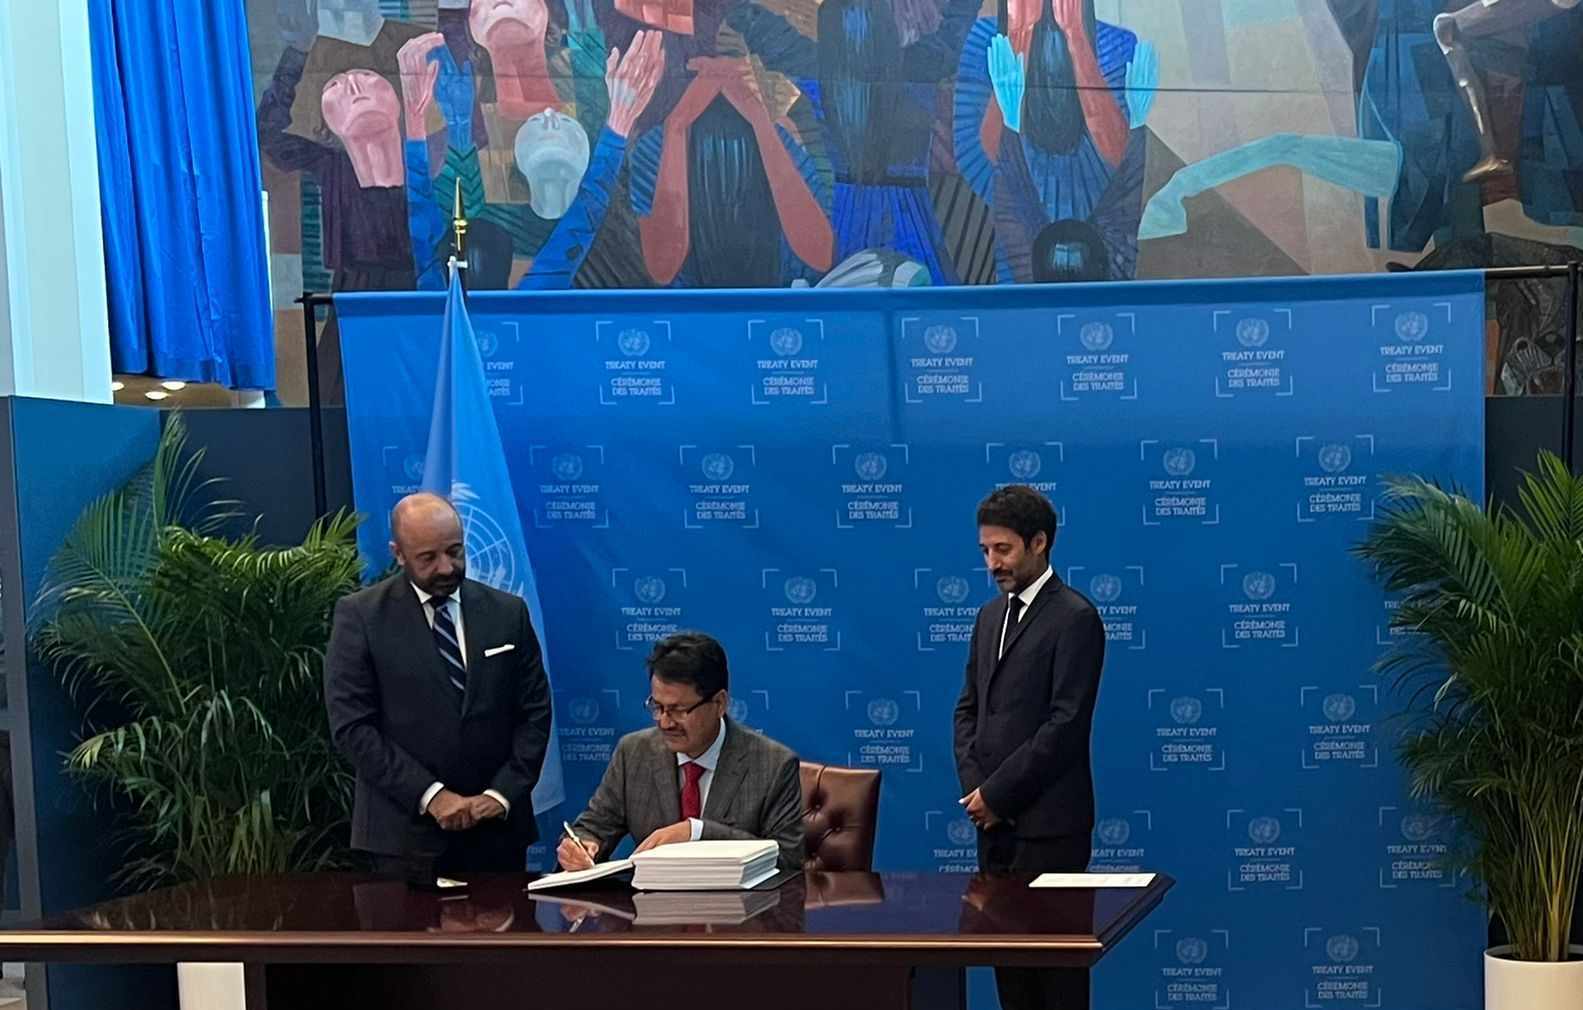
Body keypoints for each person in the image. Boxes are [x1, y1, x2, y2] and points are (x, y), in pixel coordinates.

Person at [324, 492, 552, 879]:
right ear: (398, 554)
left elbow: (534, 713)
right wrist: (431, 796)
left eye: (455, 551)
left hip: (497, 834)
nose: (446, 567)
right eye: (428, 558)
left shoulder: (507, 612)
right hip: (402, 838)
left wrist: (500, 794)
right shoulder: (361, 617)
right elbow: (353, 726)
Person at [953, 484, 1105, 1010]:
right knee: (1012, 984)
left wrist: (998, 795)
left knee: (1056, 986)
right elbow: (968, 710)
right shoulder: (988, 617)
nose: (992, 563)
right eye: (985, 551)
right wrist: (978, 792)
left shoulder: (1075, 618)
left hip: (1050, 830)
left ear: (1039, 543)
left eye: (1003, 549)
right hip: (993, 831)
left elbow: (1065, 725)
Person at [557, 632, 805, 871]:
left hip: (738, 901)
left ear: (719, 703)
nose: (665, 722)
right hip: (651, 899)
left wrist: (697, 832)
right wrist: (582, 846)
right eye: (657, 707)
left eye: (679, 710)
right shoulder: (633, 753)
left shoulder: (773, 764)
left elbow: (788, 861)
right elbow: (592, 827)